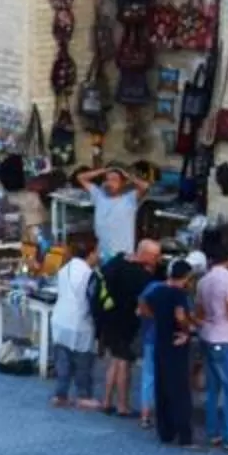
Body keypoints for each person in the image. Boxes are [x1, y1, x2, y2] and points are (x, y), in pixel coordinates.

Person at [196, 235, 228, 453]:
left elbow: (199, 312)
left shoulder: (203, 280)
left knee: (212, 388)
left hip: (207, 335)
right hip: (224, 337)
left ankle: (212, 432)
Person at [142, 257, 199, 448]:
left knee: (162, 387)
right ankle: (184, 436)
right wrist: (187, 330)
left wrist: (158, 318)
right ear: (186, 277)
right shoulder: (178, 294)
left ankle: (165, 431)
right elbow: (180, 316)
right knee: (180, 391)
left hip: (161, 342)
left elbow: (142, 306)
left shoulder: (157, 291)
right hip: (176, 345)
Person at [95, 235, 151, 419]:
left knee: (115, 360)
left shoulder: (117, 261)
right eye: (155, 255)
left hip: (109, 317)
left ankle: (106, 401)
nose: (157, 259)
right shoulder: (140, 275)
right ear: (145, 254)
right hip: (126, 321)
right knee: (124, 362)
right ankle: (122, 405)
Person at [47, 230, 100, 409]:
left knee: (62, 361)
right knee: (83, 361)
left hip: (60, 319)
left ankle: (60, 395)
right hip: (80, 322)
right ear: (90, 253)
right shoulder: (90, 275)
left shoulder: (64, 269)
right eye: (97, 251)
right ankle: (84, 396)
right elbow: (93, 300)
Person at [73, 164, 143, 260]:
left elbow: (144, 186)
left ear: (123, 183)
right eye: (107, 180)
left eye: (114, 180)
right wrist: (103, 171)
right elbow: (80, 177)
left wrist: (127, 175)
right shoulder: (99, 195)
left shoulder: (129, 198)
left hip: (122, 255)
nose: (110, 183)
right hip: (102, 252)